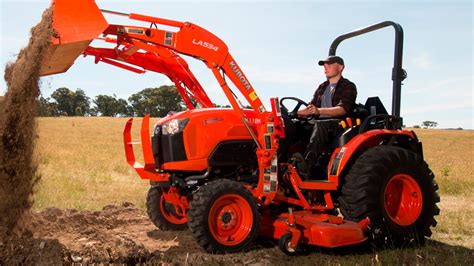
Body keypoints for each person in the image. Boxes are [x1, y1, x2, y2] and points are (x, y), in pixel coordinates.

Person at [297, 55, 357, 177]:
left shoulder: (348, 86)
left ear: (340, 67)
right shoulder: (322, 87)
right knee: (293, 124)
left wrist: (319, 111)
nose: (325, 67)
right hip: (318, 120)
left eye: (329, 64)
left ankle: (306, 166)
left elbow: (342, 109)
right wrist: (299, 113)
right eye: (324, 65)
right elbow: (312, 107)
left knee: (320, 125)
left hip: (339, 123)